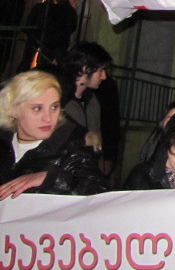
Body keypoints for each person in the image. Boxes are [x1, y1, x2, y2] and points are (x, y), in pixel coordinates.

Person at [0, 70, 108, 198]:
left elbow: (98, 191)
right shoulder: (4, 142)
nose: (48, 118)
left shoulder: (73, 147)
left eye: (54, 107)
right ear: (12, 110)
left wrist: (52, 178)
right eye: (37, 108)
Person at [59, 41, 111, 153]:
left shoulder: (92, 100)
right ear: (86, 69)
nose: (104, 76)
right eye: (101, 70)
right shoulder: (60, 101)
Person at [0, 0, 26, 76]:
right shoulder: (16, 1)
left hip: (7, 30)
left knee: (4, 54)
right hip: (7, 30)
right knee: (4, 54)